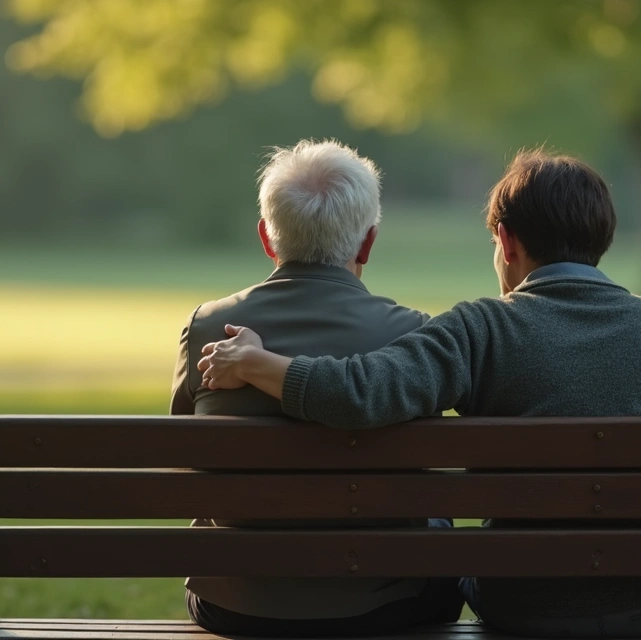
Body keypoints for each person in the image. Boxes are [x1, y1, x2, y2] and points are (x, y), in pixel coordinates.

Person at [197, 149, 641, 638]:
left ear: (507, 243)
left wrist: (258, 362)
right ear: (599, 237)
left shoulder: (479, 329)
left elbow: (359, 393)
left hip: (525, 606)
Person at [172, 139, 463, 637]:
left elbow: (183, 458)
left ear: (267, 237)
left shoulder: (207, 329)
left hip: (238, 602)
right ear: (367, 242)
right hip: (388, 602)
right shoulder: (413, 334)